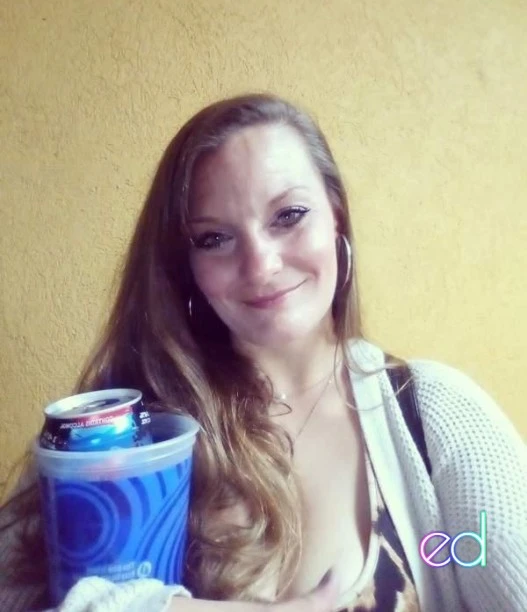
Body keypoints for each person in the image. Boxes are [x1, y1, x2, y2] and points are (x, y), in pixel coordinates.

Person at [1, 93, 525, 612]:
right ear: (185, 264)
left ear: (336, 216)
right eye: (214, 239)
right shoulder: (115, 436)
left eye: (289, 215)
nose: (261, 265)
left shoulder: (430, 413)